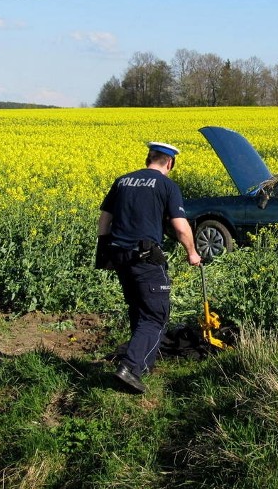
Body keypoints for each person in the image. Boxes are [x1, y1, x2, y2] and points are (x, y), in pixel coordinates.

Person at [97, 141, 201, 393]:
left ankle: (143, 364)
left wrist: (104, 254)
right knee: (156, 315)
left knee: (138, 308)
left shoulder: (122, 181)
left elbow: (104, 220)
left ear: (148, 158)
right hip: (145, 258)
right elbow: (179, 225)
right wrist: (192, 252)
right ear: (170, 162)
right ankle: (130, 367)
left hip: (120, 255)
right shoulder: (167, 185)